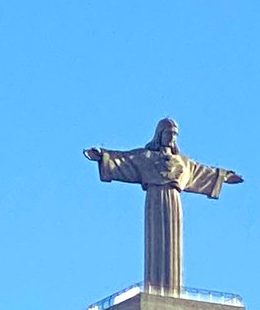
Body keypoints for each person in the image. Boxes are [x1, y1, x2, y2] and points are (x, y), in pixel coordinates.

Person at [84, 119, 243, 292]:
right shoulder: (145, 157)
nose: (171, 137)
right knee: (156, 240)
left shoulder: (183, 162)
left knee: (173, 243)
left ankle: (171, 290)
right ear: (160, 134)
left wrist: (223, 177)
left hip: (174, 202)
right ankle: (156, 288)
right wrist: (102, 157)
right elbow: (125, 160)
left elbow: (202, 172)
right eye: (168, 133)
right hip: (154, 200)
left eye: (175, 134)